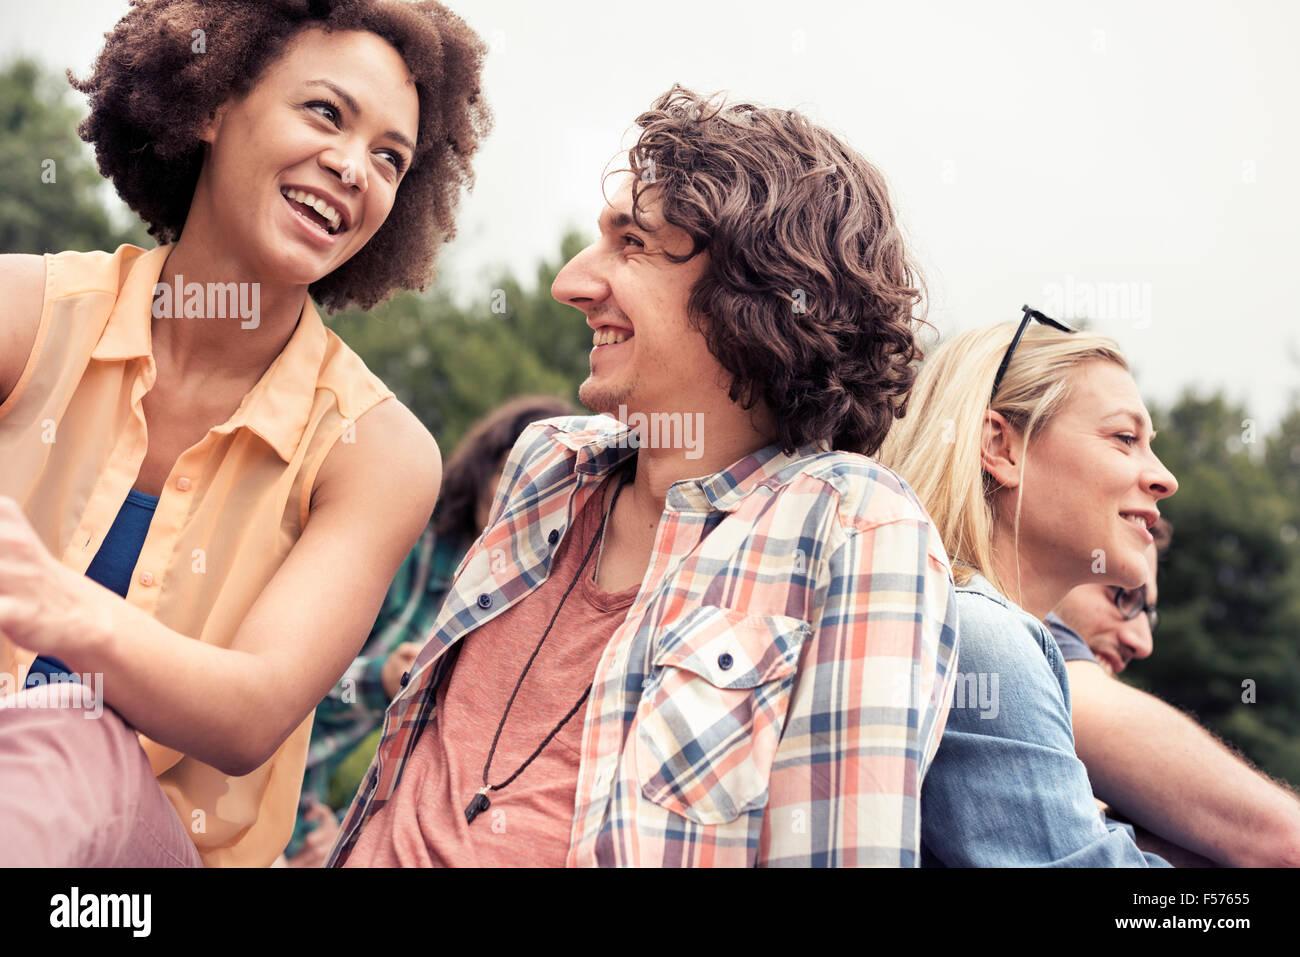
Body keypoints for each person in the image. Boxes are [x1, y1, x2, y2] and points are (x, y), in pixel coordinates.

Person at [327, 85, 959, 868]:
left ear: (756, 290)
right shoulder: (548, 461)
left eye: (631, 244)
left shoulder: (853, 528)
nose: (570, 284)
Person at [0, 0, 489, 867]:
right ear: (213, 104)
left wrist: (58, 605)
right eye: (326, 113)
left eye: (390, 158)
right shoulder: (25, 312)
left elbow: (249, 712)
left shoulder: (376, 451)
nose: (352, 168)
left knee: (72, 738)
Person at [878, 308, 1176, 866]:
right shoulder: (983, 633)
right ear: (1001, 447)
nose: (1165, 476)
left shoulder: (945, 615)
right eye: (1124, 438)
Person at [284, 395, 574, 867]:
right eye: (511, 469)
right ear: (484, 467)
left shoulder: (522, 606)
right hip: (229, 766)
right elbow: (287, 677)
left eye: (544, 483)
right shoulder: (406, 539)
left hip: (299, 803)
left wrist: (327, 829)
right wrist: (378, 680)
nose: (520, 493)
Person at [1049, 522, 1300, 867]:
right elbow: (1286, 845)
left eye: (1148, 616)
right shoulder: (1022, 637)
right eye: (1123, 595)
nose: (1142, 643)